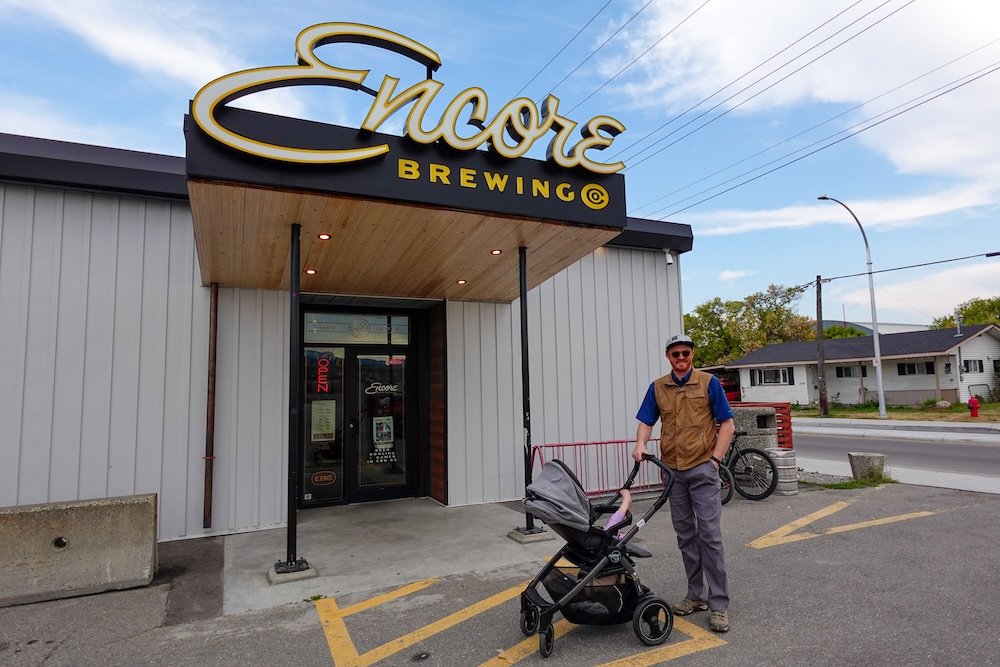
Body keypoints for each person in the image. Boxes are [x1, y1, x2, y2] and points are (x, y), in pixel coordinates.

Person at [631, 333, 735, 633]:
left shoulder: (708, 383)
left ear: (692, 354)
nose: (681, 358)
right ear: (668, 356)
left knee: (710, 537)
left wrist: (715, 460)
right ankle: (696, 595)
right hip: (673, 473)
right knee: (686, 536)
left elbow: (727, 423)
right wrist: (640, 444)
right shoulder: (658, 387)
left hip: (702, 469)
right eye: (675, 354)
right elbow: (646, 421)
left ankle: (718, 604)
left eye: (685, 353)